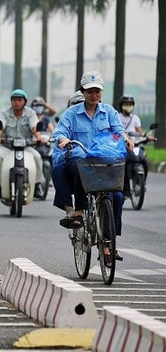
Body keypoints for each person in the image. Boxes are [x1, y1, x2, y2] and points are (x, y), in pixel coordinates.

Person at [52, 71, 134, 264]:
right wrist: (63, 139)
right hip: (80, 160)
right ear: (83, 92)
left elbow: (119, 130)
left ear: (102, 92)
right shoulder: (72, 113)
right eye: (89, 91)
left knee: (117, 197)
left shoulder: (110, 112)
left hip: (105, 164)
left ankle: (108, 244)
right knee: (81, 163)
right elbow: (60, 131)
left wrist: (126, 138)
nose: (93, 94)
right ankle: (79, 212)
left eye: (97, 91)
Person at [0, 89, 44, 198]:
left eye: (19, 100)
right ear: (11, 101)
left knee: (37, 157)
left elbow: (34, 128)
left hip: (26, 146)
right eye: (14, 100)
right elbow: (0, 126)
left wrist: (39, 137)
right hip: (8, 146)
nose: (17, 103)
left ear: (25, 101)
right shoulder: (4, 113)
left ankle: (37, 185)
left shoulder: (31, 113)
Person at [118, 95, 153, 193]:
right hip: (121, 146)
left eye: (130, 104)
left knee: (144, 160)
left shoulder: (135, 118)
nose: (128, 106)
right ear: (121, 105)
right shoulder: (117, 117)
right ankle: (123, 187)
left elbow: (140, 132)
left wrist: (146, 137)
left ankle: (142, 182)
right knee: (122, 164)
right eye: (126, 104)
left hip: (135, 145)